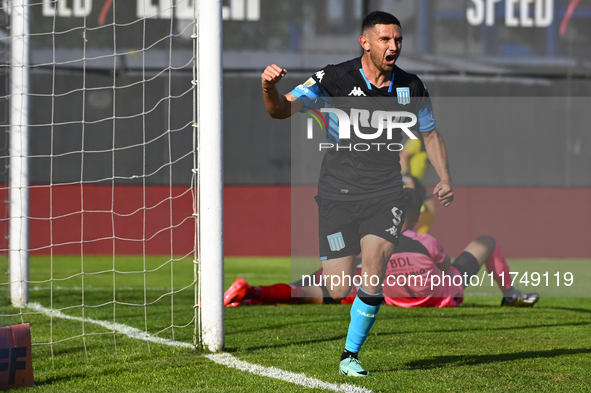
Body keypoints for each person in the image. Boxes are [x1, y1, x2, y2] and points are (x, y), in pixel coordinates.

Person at [261, 11, 453, 377]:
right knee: (337, 287)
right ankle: (347, 280)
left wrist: (444, 177)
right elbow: (282, 110)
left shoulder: (410, 87)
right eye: (385, 40)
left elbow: (430, 134)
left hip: (385, 193)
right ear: (365, 43)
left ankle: (350, 355)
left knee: (375, 269)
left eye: (397, 40)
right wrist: (269, 89)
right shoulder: (333, 77)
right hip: (337, 194)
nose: (393, 46)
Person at [224, 188, 539, 309]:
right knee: (486, 241)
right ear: (416, 216)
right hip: (437, 296)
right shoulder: (425, 240)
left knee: (315, 289)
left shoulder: (372, 239)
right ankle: (510, 293)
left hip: (382, 292)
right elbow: (443, 268)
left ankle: (255, 291)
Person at [400, 136, 438, 234]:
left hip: (416, 182)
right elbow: (402, 156)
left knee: (431, 210)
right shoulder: (415, 141)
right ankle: (402, 235)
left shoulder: (429, 145)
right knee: (408, 210)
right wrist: (407, 175)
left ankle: (420, 235)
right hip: (407, 181)